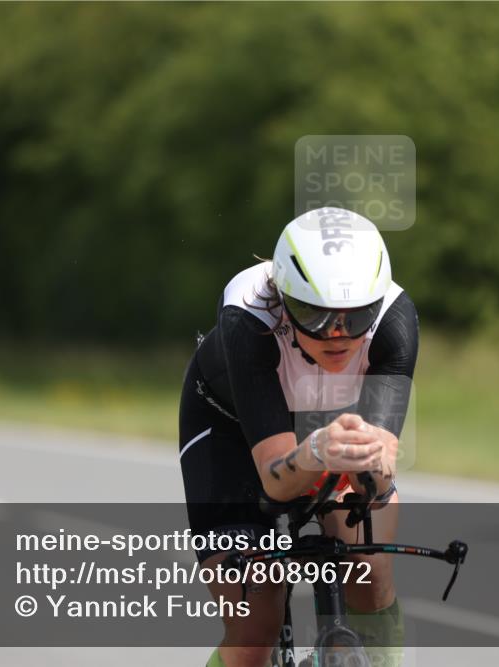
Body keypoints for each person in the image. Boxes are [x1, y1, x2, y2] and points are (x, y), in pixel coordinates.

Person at [179, 207, 417, 667]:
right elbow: (275, 479)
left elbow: (381, 469)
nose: (336, 334)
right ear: (284, 300)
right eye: (314, 312)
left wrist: (374, 470)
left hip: (334, 421)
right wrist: (313, 451)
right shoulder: (248, 318)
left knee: (368, 572)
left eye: (355, 315)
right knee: (255, 624)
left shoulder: (395, 322)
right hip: (230, 423)